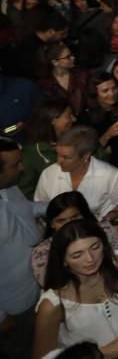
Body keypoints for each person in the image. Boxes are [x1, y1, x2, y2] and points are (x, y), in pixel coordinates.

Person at [33, 219, 118, 359]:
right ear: (63, 260)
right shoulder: (52, 305)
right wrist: (102, 354)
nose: (90, 259)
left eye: (95, 247)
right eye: (77, 255)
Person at [0, 138, 44, 359]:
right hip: (14, 308)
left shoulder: (9, 188)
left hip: (36, 288)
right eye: (15, 165)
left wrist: (56, 206)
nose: (23, 167)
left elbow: (27, 210)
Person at [34, 126, 118, 221]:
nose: (59, 161)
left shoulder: (112, 176)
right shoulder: (48, 174)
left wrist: (112, 216)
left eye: (66, 157)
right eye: (57, 154)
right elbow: (40, 206)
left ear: (86, 156)